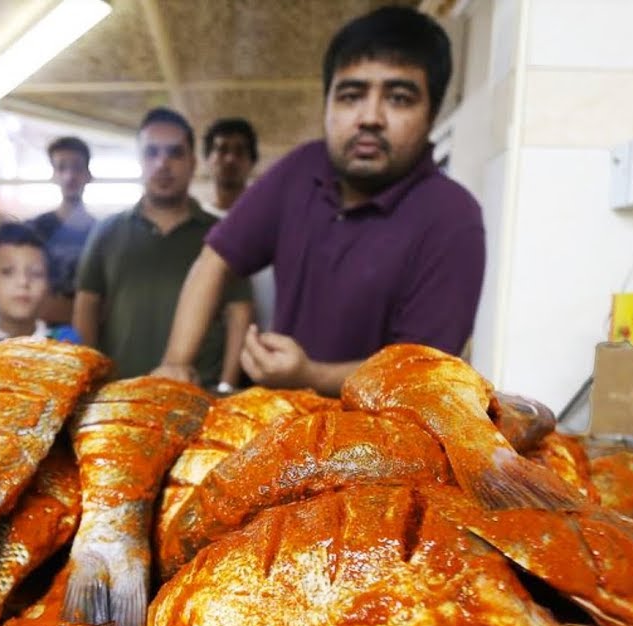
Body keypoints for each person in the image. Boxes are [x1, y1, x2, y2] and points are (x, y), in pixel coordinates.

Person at [153, 5, 485, 396]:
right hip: (279, 424)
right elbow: (215, 260)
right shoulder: (302, 168)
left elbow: (419, 376)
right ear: (326, 105)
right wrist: (176, 363)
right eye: (351, 95)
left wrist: (309, 375)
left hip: (384, 447)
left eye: (398, 98)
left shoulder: (453, 217)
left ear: (431, 116)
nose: (370, 117)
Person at [73, 107, 253, 389]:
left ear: (193, 162)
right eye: (151, 152)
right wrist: (87, 382)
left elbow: (238, 313)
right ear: (140, 161)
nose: (163, 163)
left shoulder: (221, 234)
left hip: (200, 397)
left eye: (175, 153)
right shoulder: (106, 233)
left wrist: (226, 388)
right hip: (120, 396)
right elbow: (86, 307)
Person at [0, 222, 79, 357]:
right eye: (7, 272)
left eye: (36, 273)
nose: (23, 282)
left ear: (49, 284)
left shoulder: (64, 344)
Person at [200, 118, 275, 334]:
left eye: (240, 151)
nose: (230, 159)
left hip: (264, 342)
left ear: (252, 162)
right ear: (207, 160)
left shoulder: (270, 222)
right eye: (221, 150)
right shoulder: (197, 225)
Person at [29, 136, 96, 326]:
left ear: (88, 174)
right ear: (53, 175)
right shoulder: (34, 231)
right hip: (42, 338)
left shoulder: (103, 234)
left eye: (77, 167)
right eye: (62, 167)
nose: (69, 176)